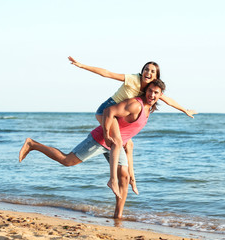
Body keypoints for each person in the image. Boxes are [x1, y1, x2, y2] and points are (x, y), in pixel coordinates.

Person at [19, 79, 165, 219]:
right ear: (145, 90)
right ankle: (33, 144)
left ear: (160, 95)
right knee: (67, 161)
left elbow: (126, 128)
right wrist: (107, 134)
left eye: (156, 93)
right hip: (101, 139)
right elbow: (108, 111)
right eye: (150, 91)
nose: (152, 95)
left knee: (125, 177)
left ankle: (118, 216)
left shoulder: (148, 110)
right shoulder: (136, 104)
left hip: (117, 145)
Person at [68, 56, 197, 199]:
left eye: (152, 71)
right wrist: (82, 65)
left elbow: (168, 101)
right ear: (142, 71)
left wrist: (185, 110)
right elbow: (107, 73)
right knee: (117, 142)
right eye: (146, 69)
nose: (148, 72)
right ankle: (112, 180)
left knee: (129, 144)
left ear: (156, 76)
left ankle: (132, 180)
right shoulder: (133, 79)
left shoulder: (150, 89)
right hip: (105, 111)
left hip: (116, 114)